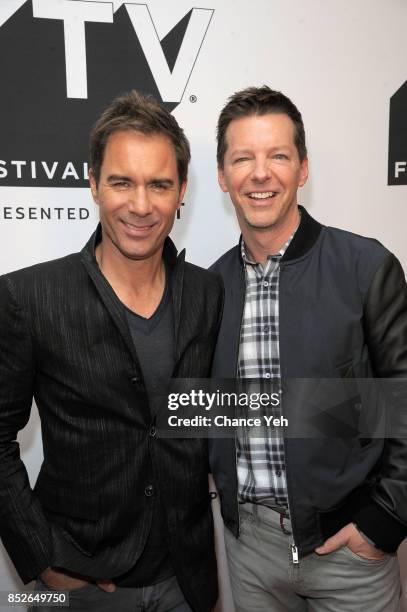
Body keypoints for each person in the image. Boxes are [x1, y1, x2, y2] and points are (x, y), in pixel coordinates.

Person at [0, 89, 222, 612]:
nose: (141, 205)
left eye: (159, 185)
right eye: (122, 181)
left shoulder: (208, 293)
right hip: (80, 583)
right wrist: (42, 555)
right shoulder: (29, 297)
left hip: (186, 580)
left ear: (181, 190)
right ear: (94, 183)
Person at [209, 85, 407, 611]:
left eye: (278, 155)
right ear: (222, 175)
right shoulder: (208, 288)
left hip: (348, 550)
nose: (260, 173)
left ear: (303, 169)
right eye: (243, 158)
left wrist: (384, 521)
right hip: (249, 551)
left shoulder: (366, 268)